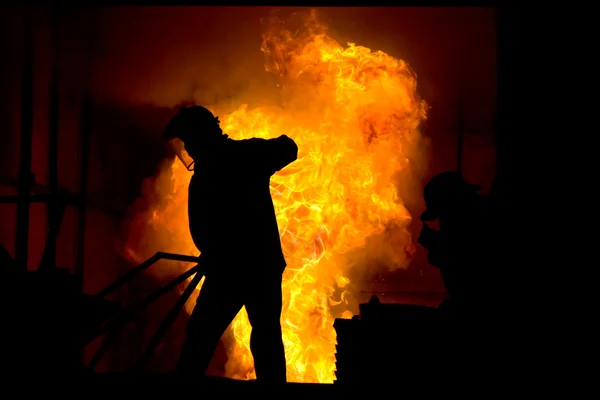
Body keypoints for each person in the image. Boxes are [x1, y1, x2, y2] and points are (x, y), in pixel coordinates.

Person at [164, 105, 298, 382]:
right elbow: (288, 147)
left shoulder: (227, 163)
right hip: (259, 266)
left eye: (189, 141)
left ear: (201, 136)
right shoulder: (241, 157)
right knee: (265, 335)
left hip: (232, 271)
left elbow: (287, 147)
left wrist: (215, 252)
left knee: (202, 334)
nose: (187, 150)